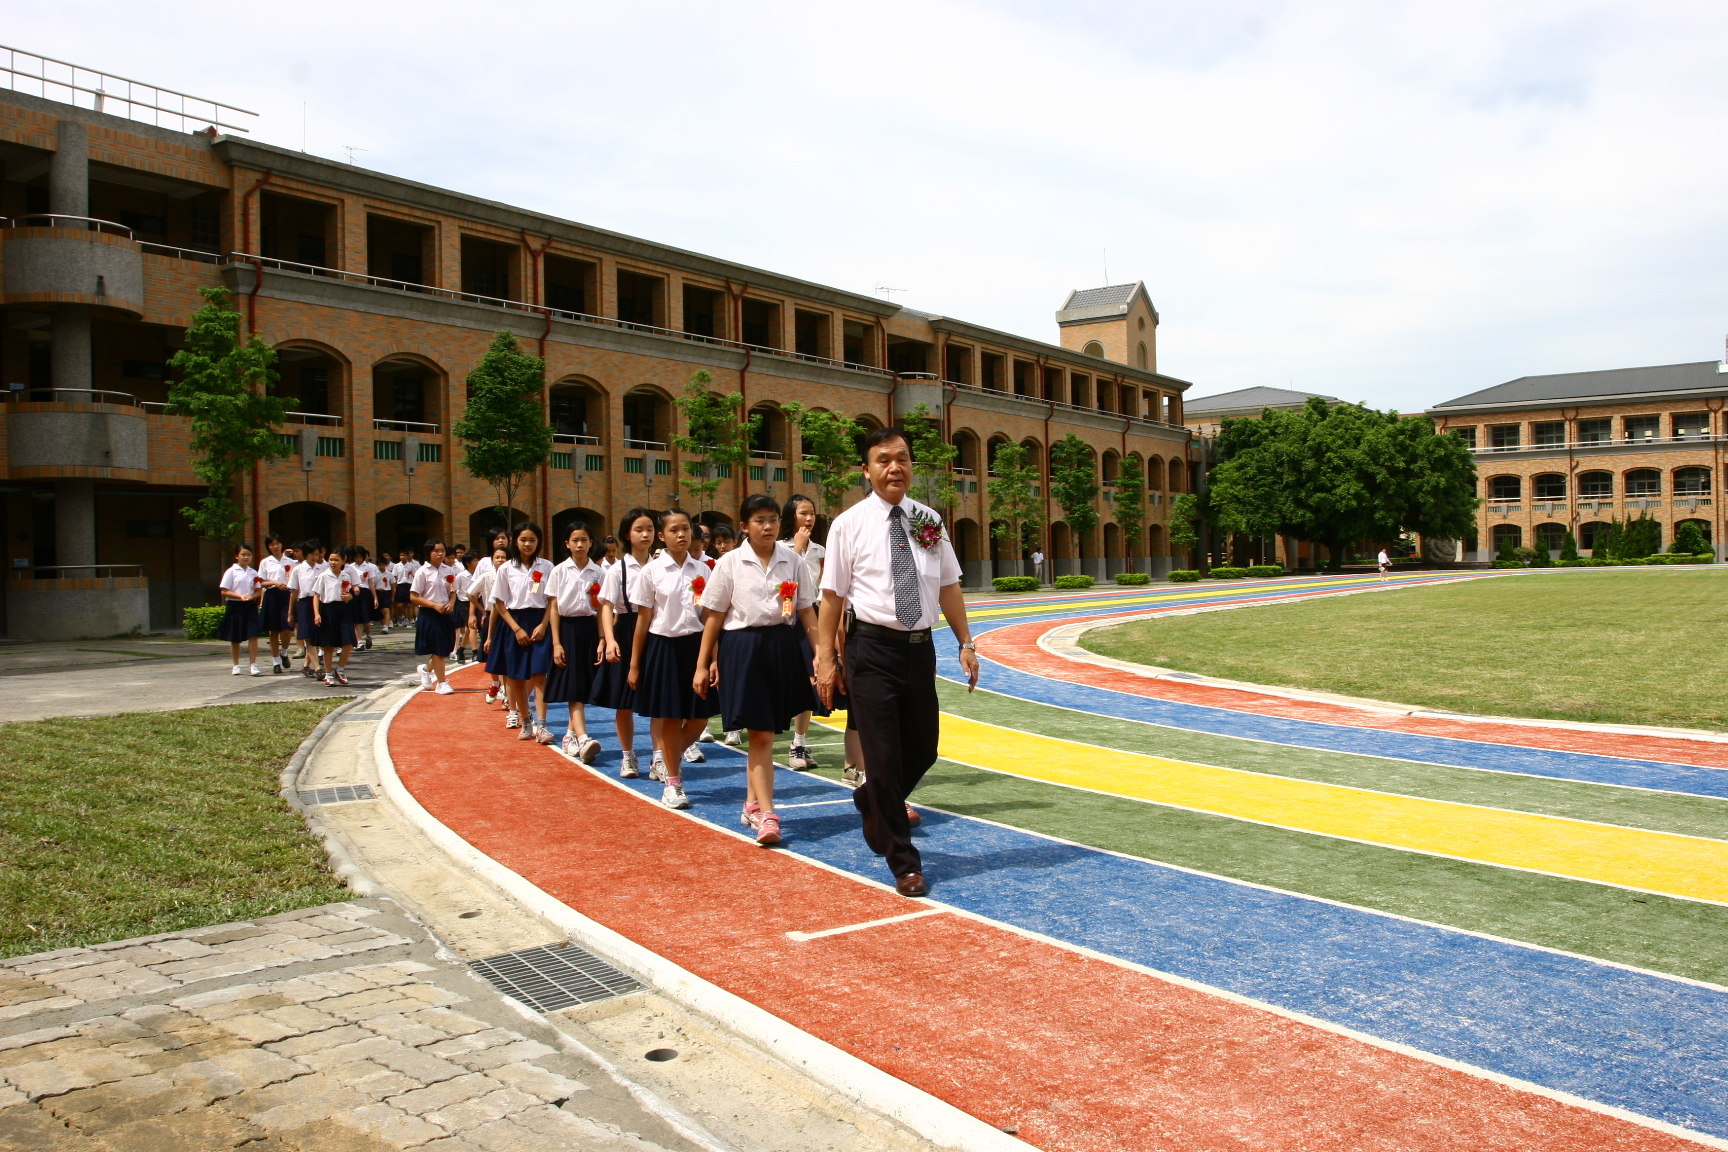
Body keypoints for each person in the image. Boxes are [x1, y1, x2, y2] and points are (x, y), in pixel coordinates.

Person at [815, 426, 980, 898]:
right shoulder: (848, 524)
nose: (895, 467)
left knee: (924, 748)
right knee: (883, 758)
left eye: (902, 458)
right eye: (883, 460)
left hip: (919, 649)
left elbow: (948, 585)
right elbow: (832, 596)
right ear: (866, 470)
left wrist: (966, 642)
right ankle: (905, 861)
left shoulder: (928, 519)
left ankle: (870, 800)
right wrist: (826, 658)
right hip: (870, 650)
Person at [694, 493, 821, 846]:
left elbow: (806, 610)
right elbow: (714, 615)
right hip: (743, 649)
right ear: (745, 526)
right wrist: (703, 664)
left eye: (773, 519)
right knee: (761, 733)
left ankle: (751, 804)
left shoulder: (793, 561)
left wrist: (820, 654)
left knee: (766, 732)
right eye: (760, 520)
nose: (768, 526)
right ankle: (767, 813)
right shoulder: (730, 563)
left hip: (781, 647)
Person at [627, 508, 716, 809]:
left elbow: (709, 616)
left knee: (700, 718)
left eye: (686, 529)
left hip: (695, 647)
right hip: (663, 647)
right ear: (661, 536)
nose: (681, 535)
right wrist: (635, 664)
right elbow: (643, 620)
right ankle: (673, 784)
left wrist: (712, 658)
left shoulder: (703, 570)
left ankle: (669, 758)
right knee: (672, 716)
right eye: (674, 530)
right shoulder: (651, 572)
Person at [593, 508, 655, 779]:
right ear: (627, 534)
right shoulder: (617, 569)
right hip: (627, 630)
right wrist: (609, 640)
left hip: (656, 631)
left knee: (658, 701)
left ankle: (659, 756)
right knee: (624, 701)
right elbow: (606, 606)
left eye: (650, 529)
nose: (645, 534)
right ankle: (628, 755)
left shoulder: (660, 565)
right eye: (639, 529)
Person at [489, 523, 556, 743]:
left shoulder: (547, 566)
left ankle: (542, 725)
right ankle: (525, 722)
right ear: (515, 541)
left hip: (539, 622)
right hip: (514, 623)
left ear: (539, 542)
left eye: (532, 540)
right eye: (523, 539)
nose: (528, 544)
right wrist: (516, 629)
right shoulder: (506, 568)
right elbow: (499, 603)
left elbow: (552, 600)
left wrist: (544, 625)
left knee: (539, 675)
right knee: (517, 677)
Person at [546, 521, 605, 763]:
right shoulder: (559, 571)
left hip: (590, 629)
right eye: (575, 540)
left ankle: (569, 735)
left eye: (584, 540)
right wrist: (556, 643)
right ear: (567, 544)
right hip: (567, 629)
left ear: (591, 543)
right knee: (573, 685)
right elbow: (553, 608)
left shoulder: (599, 572)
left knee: (583, 685)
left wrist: (602, 638)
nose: (580, 545)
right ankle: (583, 738)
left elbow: (601, 609)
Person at [780, 494, 824, 770]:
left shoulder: (819, 550)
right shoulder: (778, 548)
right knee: (783, 680)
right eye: (803, 513)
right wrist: (796, 548)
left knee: (810, 679)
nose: (809, 519)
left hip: (811, 616)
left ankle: (799, 743)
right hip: (784, 618)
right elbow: (782, 582)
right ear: (791, 517)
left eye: (812, 513)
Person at [411, 539, 459, 694]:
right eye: (436, 551)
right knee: (438, 649)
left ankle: (426, 669)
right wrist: (433, 605)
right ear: (429, 553)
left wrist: (451, 603)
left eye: (442, 551)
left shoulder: (448, 570)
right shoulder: (422, 572)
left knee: (444, 648)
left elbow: (453, 591)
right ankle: (442, 683)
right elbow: (414, 596)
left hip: (446, 613)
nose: (440, 554)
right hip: (430, 613)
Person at [311, 548, 357, 687]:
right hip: (328, 610)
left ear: (343, 561)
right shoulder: (323, 576)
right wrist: (317, 613)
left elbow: (348, 593)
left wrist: (350, 596)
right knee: (329, 645)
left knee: (348, 642)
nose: (333, 562)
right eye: (331, 559)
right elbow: (316, 595)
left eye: (336, 560)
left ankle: (340, 670)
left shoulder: (345, 576)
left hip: (343, 610)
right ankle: (328, 674)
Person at [217, 544, 264, 675]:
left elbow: (259, 590)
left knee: (253, 635)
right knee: (235, 637)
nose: (246, 557)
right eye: (243, 554)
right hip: (235, 606)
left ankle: (253, 664)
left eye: (249, 554)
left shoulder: (253, 572)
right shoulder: (231, 571)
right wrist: (240, 596)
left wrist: (252, 596)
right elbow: (224, 591)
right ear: (237, 556)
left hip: (250, 606)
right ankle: (236, 665)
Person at [473, 544, 508, 705]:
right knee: (493, 654)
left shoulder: (512, 576)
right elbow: (470, 593)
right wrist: (480, 611)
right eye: (497, 557)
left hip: (510, 618)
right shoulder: (487, 576)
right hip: (492, 617)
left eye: (504, 557)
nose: (500, 560)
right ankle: (496, 684)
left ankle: (507, 694)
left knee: (508, 657)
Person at [257, 535, 295, 674]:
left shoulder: (290, 562)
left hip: (287, 595)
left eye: (277, 543)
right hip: (272, 596)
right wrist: (275, 582)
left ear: (281, 544)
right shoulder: (265, 562)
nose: (274, 546)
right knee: (273, 630)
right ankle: (276, 662)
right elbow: (261, 582)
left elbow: (295, 580)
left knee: (286, 628)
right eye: (271, 544)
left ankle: (284, 653)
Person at [291, 539, 326, 678]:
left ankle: (306, 666)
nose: (315, 557)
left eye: (317, 554)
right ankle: (317, 668)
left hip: (319, 603)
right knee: (309, 638)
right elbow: (294, 592)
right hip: (304, 604)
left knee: (316, 637)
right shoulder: (298, 569)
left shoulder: (322, 569)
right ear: (305, 554)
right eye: (312, 554)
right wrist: (290, 612)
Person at [454, 549, 479, 664]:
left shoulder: (479, 575)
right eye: (475, 560)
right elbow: (455, 589)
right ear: (468, 563)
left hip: (476, 602)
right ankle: (475, 652)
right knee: (472, 626)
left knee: (470, 628)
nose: (477, 562)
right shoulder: (461, 576)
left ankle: (461, 650)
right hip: (464, 603)